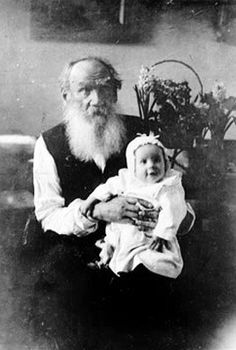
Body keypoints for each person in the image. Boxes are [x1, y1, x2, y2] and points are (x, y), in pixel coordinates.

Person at [30, 56, 194, 348]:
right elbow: (48, 214)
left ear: (116, 93)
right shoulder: (49, 143)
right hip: (79, 251)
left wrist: (165, 220)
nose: (96, 99)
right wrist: (98, 211)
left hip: (143, 246)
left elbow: (174, 192)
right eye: (84, 90)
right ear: (66, 95)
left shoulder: (143, 133)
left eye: (105, 89)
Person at [81, 134, 187, 279]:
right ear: (133, 167)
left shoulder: (167, 186)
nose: (151, 165)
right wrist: (92, 199)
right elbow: (108, 186)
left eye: (156, 160)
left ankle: (137, 277)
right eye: (143, 162)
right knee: (113, 250)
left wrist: (162, 233)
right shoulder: (128, 179)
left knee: (147, 261)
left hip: (149, 237)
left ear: (165, 163)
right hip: (123, 233)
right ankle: (106, 264)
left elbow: (174, 210)